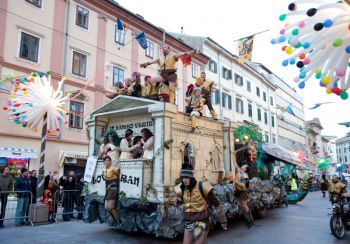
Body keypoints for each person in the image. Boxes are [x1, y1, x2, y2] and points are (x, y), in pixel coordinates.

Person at [173, 163, 227, 243]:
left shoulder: (202, 186)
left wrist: (223, 220)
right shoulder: (183, 188)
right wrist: (178, 201)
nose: (184, 180)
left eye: (187, 177)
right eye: (183, 177)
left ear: (191, 177)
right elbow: (186, 201)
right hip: (189, 222)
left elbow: (217, 204)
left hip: (202, 222)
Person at [234, 163, 254, 228]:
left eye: (243, 166)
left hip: (242, 192)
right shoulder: (240, 173)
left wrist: (236, 182)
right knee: (243, 206)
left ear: (245, 169)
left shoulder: (244, 175)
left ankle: (250, 220)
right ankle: (247, 219)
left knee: (245, 206)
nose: (242, 165)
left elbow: (244, 185)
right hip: (239, 192)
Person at [102, 156, 120, 224]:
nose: (107, 162)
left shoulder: (113, 168)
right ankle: (114, 219)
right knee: (106, 207)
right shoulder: (104, 170)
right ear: (104, 162)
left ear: (110, 161)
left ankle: (117, 219)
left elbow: (119, 176)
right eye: (105, 161)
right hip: (108, 189)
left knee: (110, 206)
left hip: (113, 188)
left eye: (108, 160)